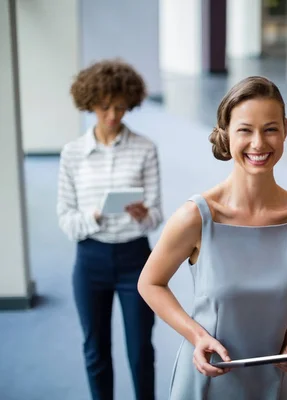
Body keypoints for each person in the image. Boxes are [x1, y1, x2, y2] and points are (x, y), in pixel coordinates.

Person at [137, 76, 287, 399]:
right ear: (226, 132)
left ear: (285, 129)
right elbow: (150, 283)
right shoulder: (196, 216)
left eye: (270, 129)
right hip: (206, 376)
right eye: (245, 130)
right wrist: (196, 336)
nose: (258, 143)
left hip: (270, 380)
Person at [57, 59, 163, 400]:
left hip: (137, 260)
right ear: (90, 104)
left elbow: (157, 216)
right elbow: (67, 220)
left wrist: (142, 214)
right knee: (95, 349)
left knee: (140, 351)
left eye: (120, 108)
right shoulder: (72, 154)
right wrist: (97, 215)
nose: (113, 116)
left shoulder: (146, 148)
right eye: (104, 108)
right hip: (91, 260)